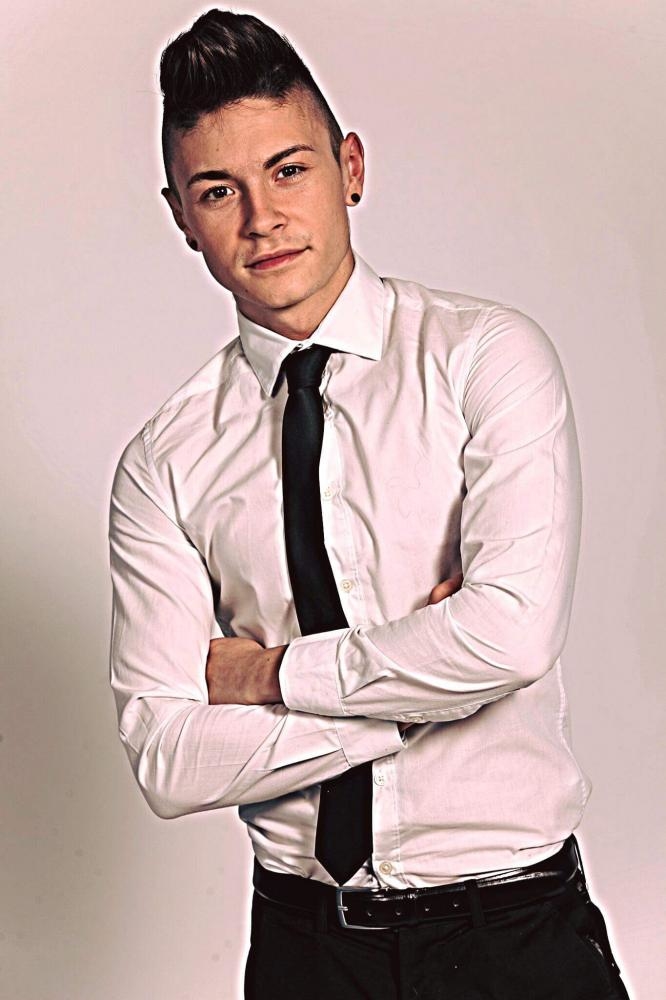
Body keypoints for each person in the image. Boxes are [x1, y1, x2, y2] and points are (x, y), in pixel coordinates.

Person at [108, 9, 630, 998]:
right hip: (306, 946)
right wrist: (426, 692)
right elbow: (169, 760)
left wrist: (271, 675)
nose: (261, 217)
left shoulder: (486, 360)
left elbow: (510, 637)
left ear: (350, 167)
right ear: (181, 216)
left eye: (288, 170)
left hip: (513, 935)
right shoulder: (164, 461)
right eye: (218, 190)